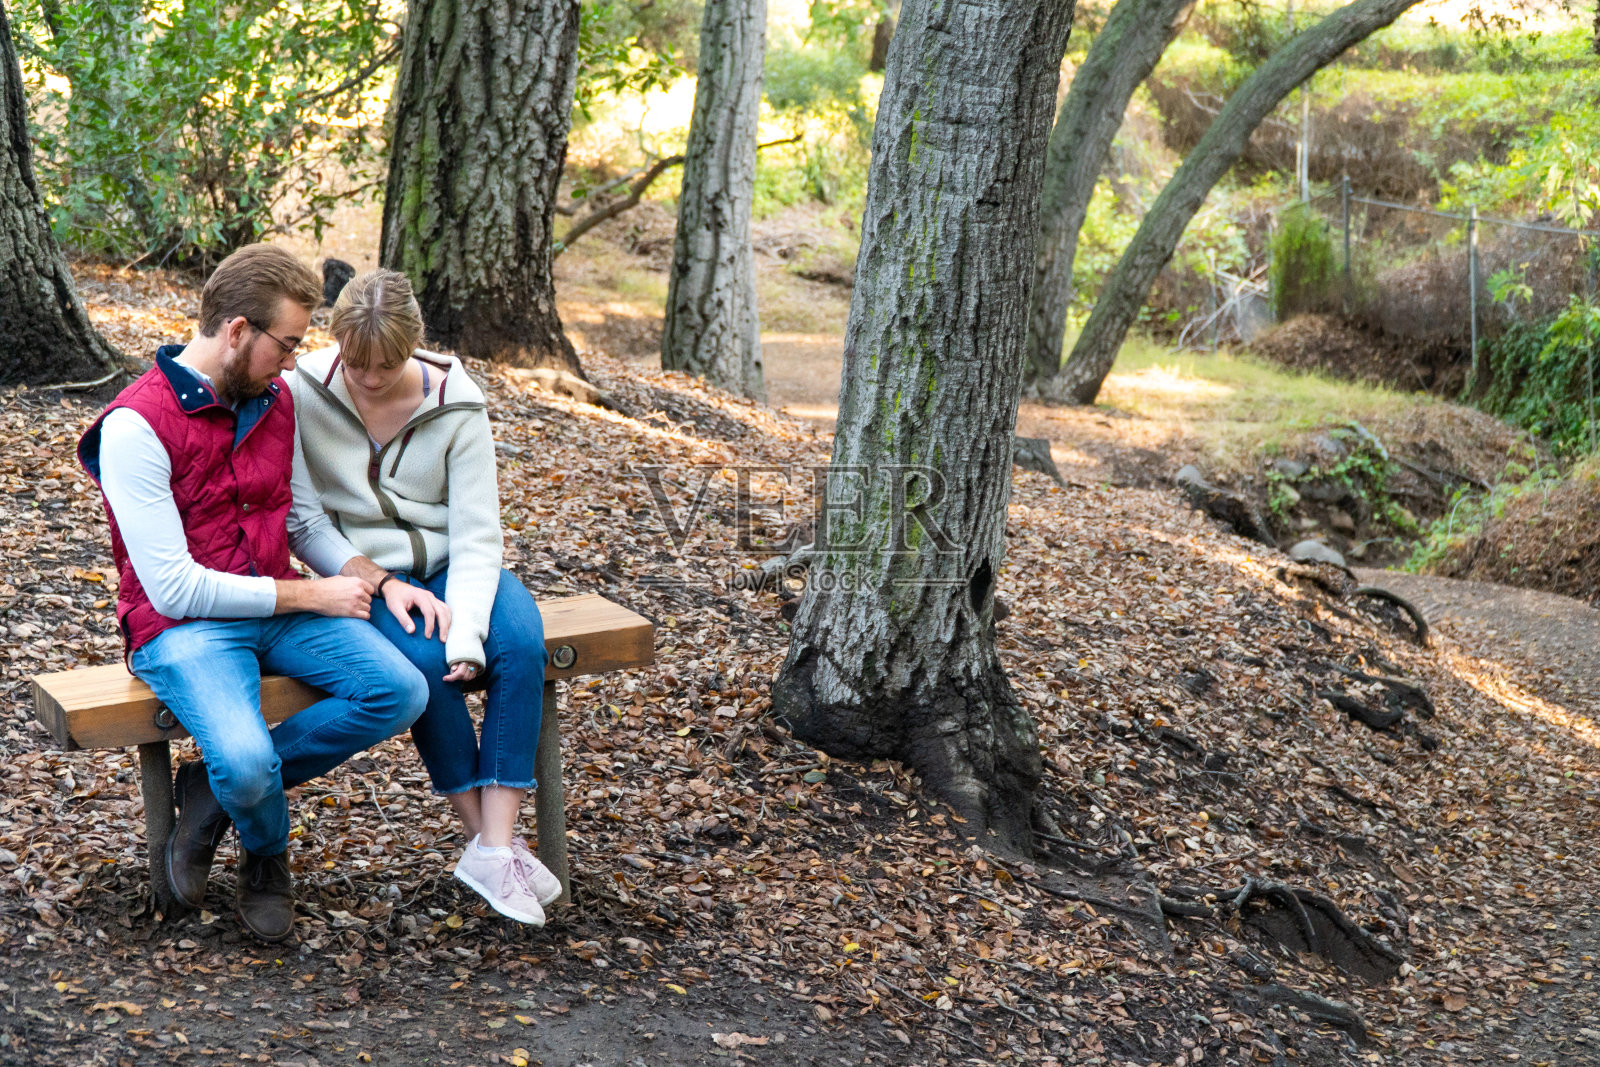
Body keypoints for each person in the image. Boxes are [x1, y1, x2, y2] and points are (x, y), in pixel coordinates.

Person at [77, 245, 438, 943]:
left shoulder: (272, 400)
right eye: (289, 343)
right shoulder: (134, 426)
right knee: (247, 759)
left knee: (400, 688)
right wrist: (309, 597)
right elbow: (175, 586)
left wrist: (373, 576)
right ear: (238, 330)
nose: (295, 363)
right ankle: (267, 851)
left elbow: (301, 518)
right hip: (185, 628)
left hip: (276, 609)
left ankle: (211, 793)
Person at [288, 269, 557, 927]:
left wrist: (467, 628)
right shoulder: (300, 394)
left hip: (457, 566)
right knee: (422, 661)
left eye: (387, 364)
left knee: (522, 646)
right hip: (367, 575)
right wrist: (382, 582)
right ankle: (492, 847)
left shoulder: (457, 402)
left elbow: (475, 532)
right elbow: (306, 522)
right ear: (336, 344)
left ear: (414, 347)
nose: (370, 378)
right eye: (356, 363)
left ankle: (494, 845)